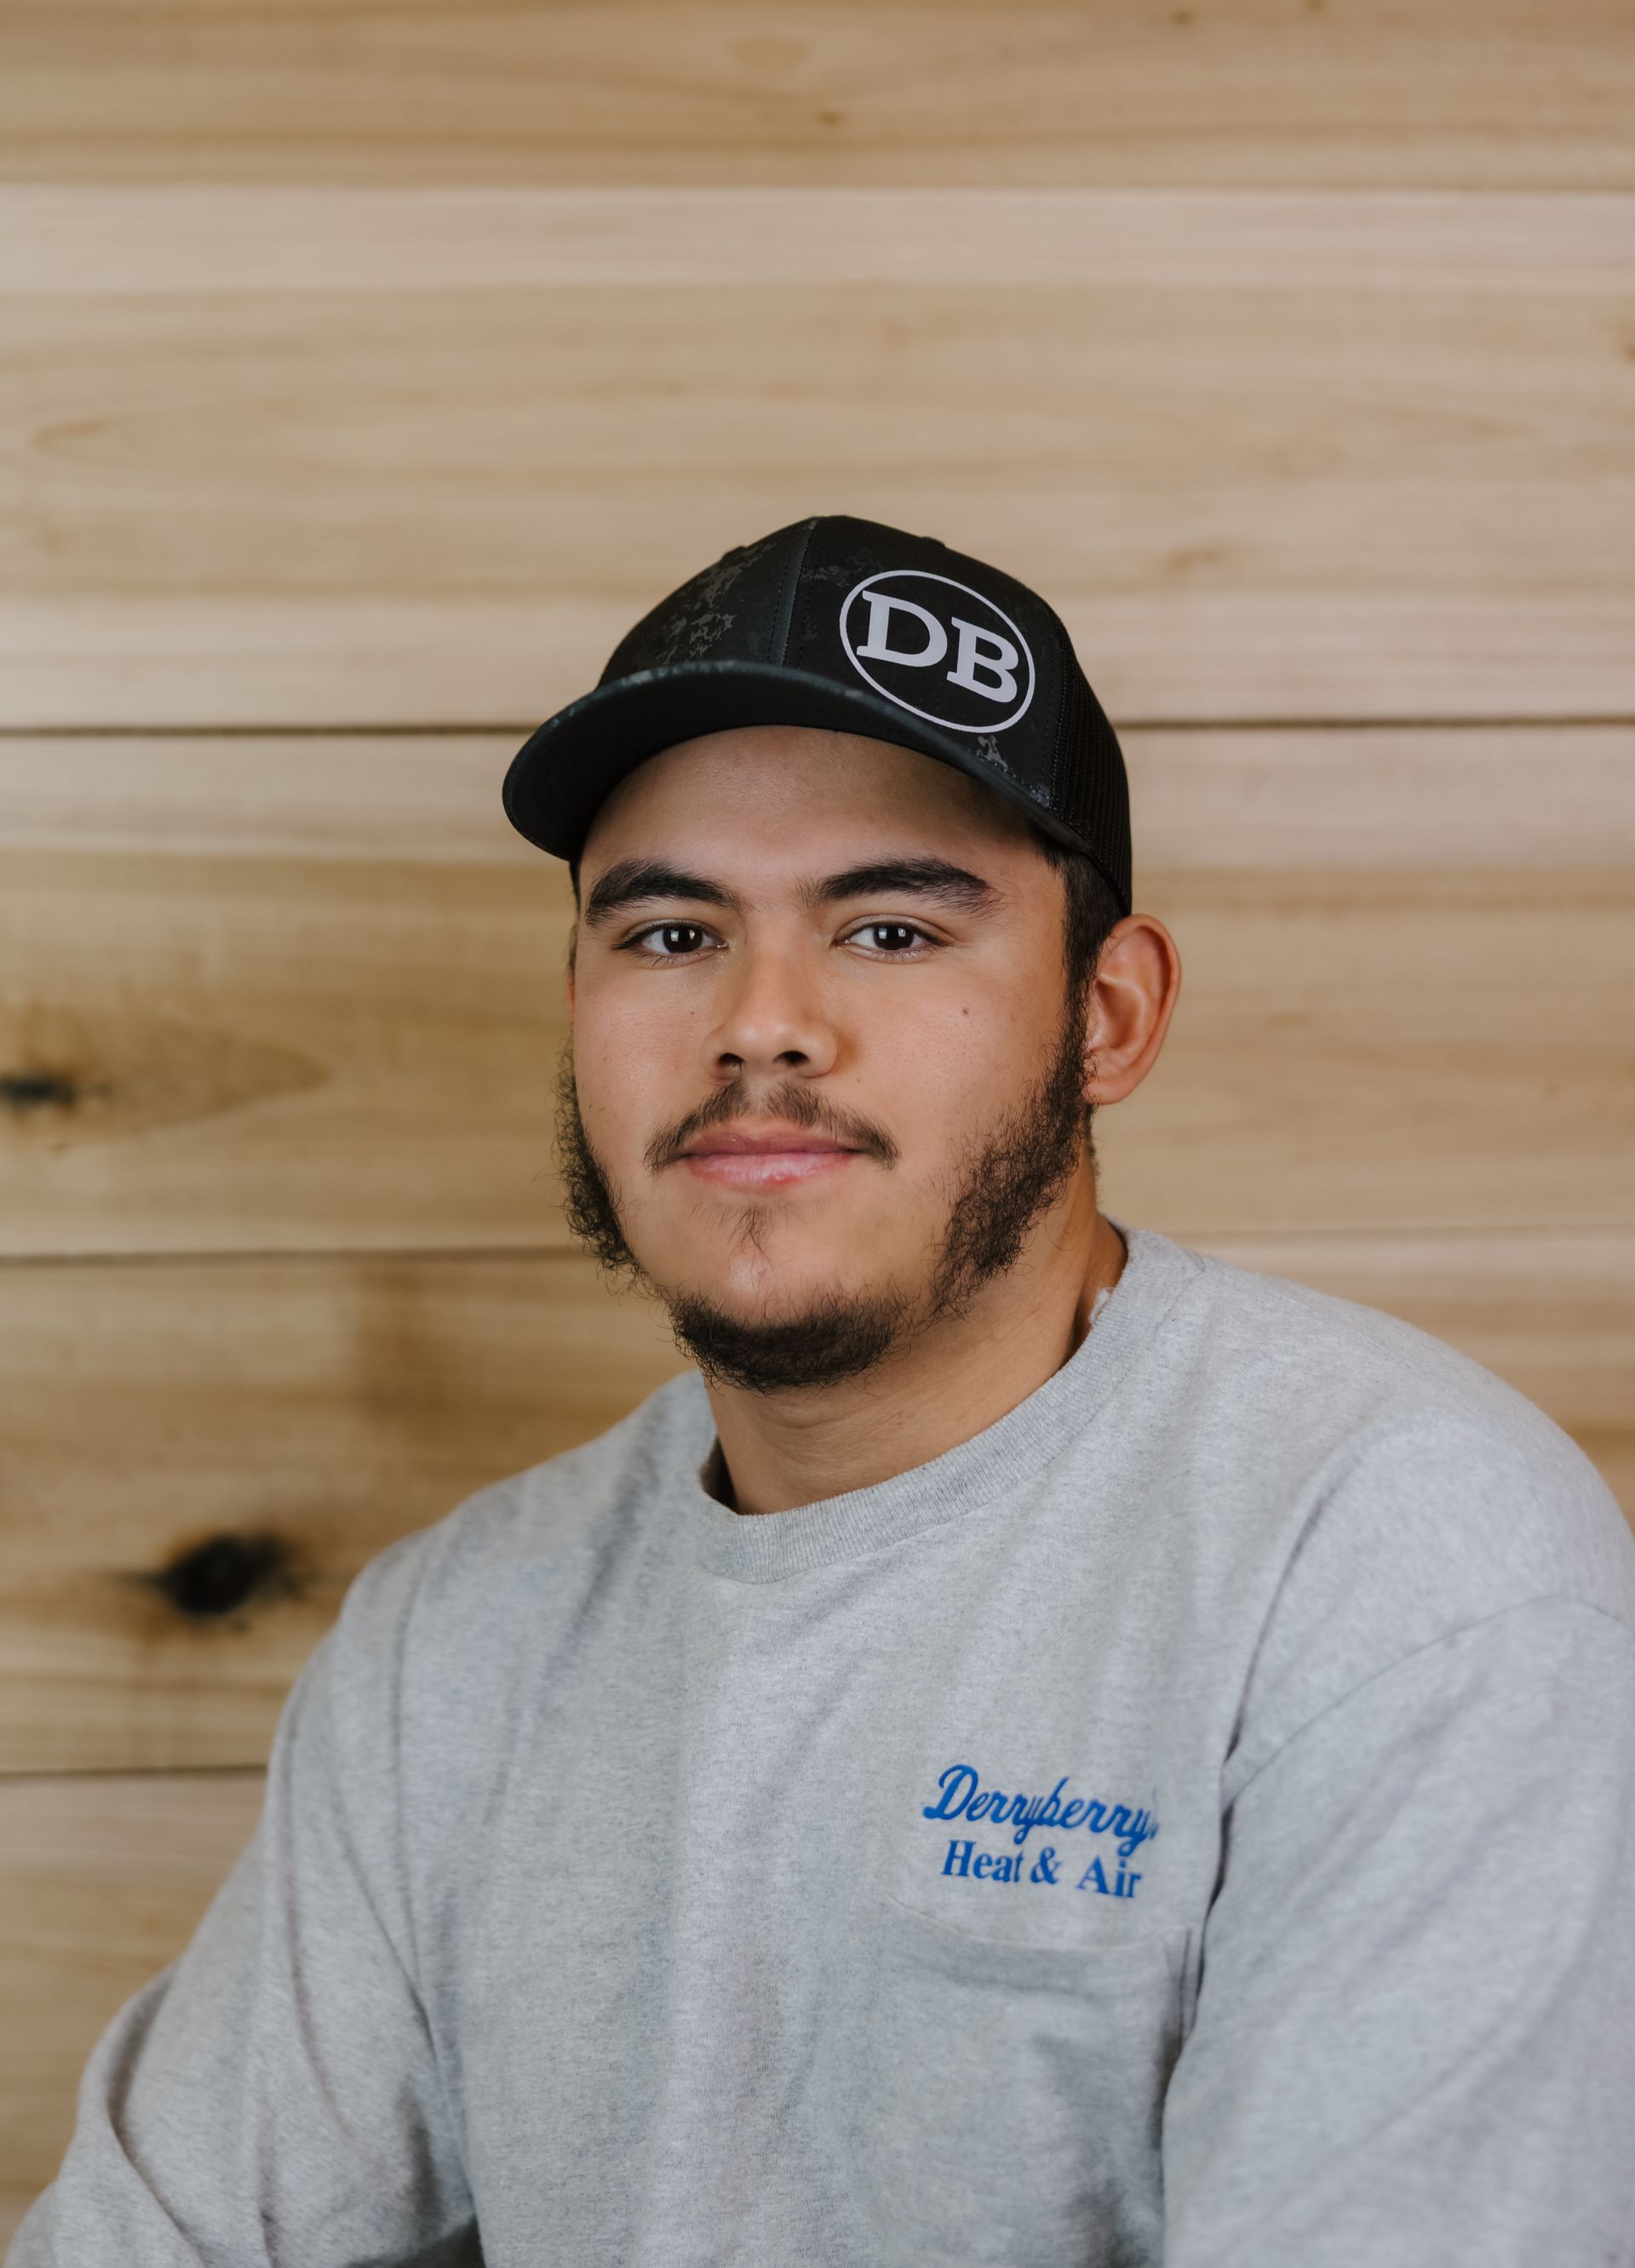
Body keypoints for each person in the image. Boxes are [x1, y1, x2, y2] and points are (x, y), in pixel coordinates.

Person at [13, 514, 1635, 2268]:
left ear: (1111, 1014)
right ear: (576, 1002)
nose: (763, 1024)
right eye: (668, 935)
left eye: (888, 931)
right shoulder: (449, 1646)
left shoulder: (1400, 1562)